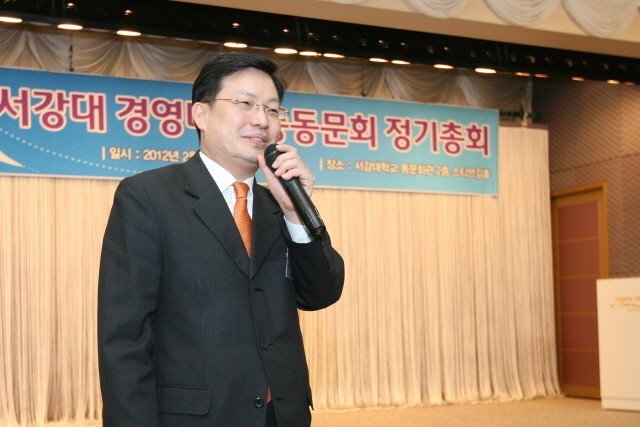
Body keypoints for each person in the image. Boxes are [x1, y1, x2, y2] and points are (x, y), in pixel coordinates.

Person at [97, 52, 345, 427]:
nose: (261, 120)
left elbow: (321, 293)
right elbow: (124, 338)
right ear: (200, 114)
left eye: (273, 110)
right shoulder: (148, 197)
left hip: (281, 417)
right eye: (245, 103)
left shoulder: (279, 205)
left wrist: (296, 214)